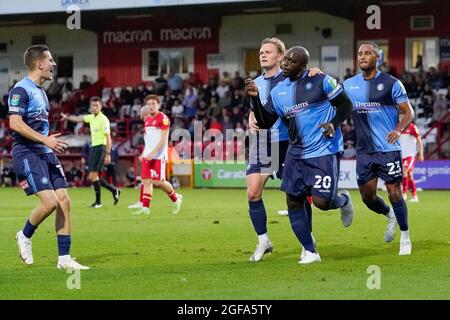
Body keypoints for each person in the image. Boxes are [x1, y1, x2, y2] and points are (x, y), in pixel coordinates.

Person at [247, 46, 354, 264]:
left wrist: (333, 123)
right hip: (295, 153)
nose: (285, 64)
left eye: (290, 61)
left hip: (324, 150)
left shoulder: (322, 80)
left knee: (322, 202)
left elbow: (346, 104)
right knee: (293, 200)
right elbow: (266, 121)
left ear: (303, 65)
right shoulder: (279, 91)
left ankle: (343, 200)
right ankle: (310, 251)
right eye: (284, 60)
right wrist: (256, 99)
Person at [8, 45, 89, 269]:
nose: (53, 64)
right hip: (27, 153)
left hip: (45, 152)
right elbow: (14, 123)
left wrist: (46, 138)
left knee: (64, 201)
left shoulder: (42, 91)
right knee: (50, 202)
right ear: (39, 64)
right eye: (50, 60)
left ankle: (64, 259)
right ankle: (24, 235)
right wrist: (44, 140)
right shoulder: (20, 90)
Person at [245, 38, 319, 263]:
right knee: (252, 193)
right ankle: (263, 240)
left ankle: (308, 241)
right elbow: (255, 108)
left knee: (297, 194)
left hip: (289, 142)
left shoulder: (291, 78)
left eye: (268, 52)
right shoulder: (256, 81)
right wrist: (251, 118)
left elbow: (312, 83)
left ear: (280, 56)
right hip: (264, 142)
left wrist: (316, 71)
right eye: (260, 52)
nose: (262, 55)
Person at [343, 41, 415, 255]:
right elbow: (333, 102)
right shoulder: (349, 85)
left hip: (388, 149)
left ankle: (405, 236)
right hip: (364, 151)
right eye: (359, 53)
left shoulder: (392, 83)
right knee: (367, 197)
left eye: (367, 53)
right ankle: (389, 215)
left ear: (377, 57)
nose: (362, 56)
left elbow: (409, 112)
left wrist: (399, 129)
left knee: (394, 193)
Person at [61, 97, 121, 208]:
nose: (94, 108)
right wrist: (67, 117)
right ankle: (114, 190)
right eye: (92, 105)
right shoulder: (91, 118)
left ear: (101, 106)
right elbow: (79, 119)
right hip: (94, 148)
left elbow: (108, 137)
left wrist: (108, 153)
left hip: (101, 148)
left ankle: (99, 202)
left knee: (93, 176)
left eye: (96, 105)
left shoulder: (104, 119)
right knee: (93, 176)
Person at [131, 95, 183, 215]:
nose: (151, 106)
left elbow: (164, 140)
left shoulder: (163, 119)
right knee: (146, 180)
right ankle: (145, 208)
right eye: (149, 104)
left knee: (159, 182)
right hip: (148, 155)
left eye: (153, 104)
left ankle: (176, 199)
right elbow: (149, 140)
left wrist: (153, 153)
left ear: (158, 105)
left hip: (158, 156)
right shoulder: (148, 120)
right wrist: (145, 153)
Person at [399, 118, 424, 202]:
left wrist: (421, 153)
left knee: (404, 171)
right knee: (409, 175)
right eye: (400, 115)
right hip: (401, 155)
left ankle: (404, 194)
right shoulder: (398, 127)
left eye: (403, 115)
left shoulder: (412, 127)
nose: (401, 117)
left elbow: (419, 140)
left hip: (410, 155)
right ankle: (414, 196)